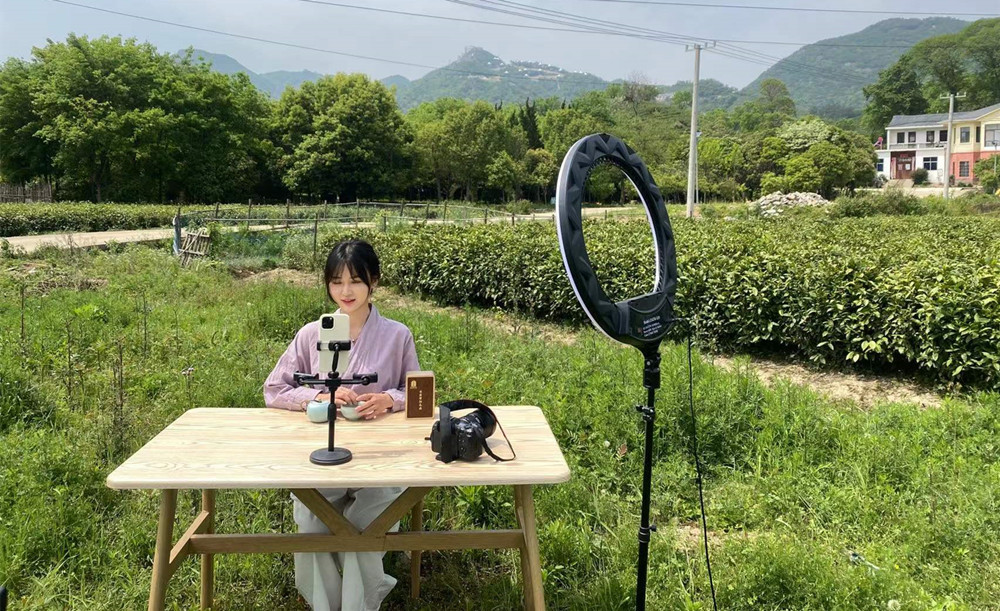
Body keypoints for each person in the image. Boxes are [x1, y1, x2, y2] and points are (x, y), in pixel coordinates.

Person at [264, 239, 420, 611]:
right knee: (311, 520)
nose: (345, 291)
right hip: (322, 456)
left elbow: (417, 393)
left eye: (355, 281)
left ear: (374, 281)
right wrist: (319, 396)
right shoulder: (311, 334)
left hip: (381, 458)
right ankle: (325, 604)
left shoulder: (397, 335)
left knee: (366, 523)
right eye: (336, 282)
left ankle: (356, 606)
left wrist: (388, 399)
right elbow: (275, 389)